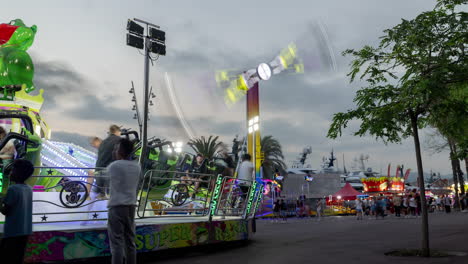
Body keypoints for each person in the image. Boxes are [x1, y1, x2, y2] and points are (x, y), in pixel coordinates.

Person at [107, 138, 141, 264]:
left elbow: (102, 180)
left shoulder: (114, 166)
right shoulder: (137, 166)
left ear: (121, 150)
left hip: (116, 207)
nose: (115, 151)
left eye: (117, 148)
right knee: (130, 242)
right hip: (131, 207)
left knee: (116, 244)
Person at [0, 159, 34, 264]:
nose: (11, 172)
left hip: (13, 232)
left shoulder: (13, 189)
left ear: (18, 173)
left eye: (13, 170)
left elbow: (6, 211)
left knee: (6, 257)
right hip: (25, 231)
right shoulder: (29, 188)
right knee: (18, 257)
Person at [94, 125, 122, 198]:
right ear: (117, 131)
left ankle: (102, 194)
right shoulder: (119, 140)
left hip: (98, 171)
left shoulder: (104, 141)